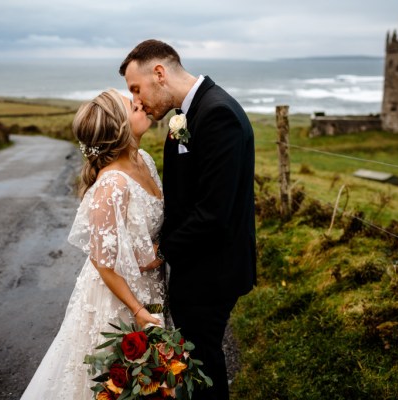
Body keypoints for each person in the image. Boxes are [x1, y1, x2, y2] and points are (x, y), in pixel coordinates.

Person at [119, 40, 257, 400]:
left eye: (136, 88)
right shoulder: (188, 114)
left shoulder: (217, 114)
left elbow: (214, 212)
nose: (136, 99)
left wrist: (162, 249)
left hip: (214, 271)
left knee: (202, 366)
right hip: (199, 267)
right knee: (196, 362)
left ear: (159, 74)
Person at [21, 89, 165, 400]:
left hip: (154, 286)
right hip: (121, 299)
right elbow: (102, 261)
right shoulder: (111, 184)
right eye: (131, 104)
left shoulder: (145, 161)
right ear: (118, 128)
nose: (139, 102)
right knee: (117, 383)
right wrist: (137, 309)